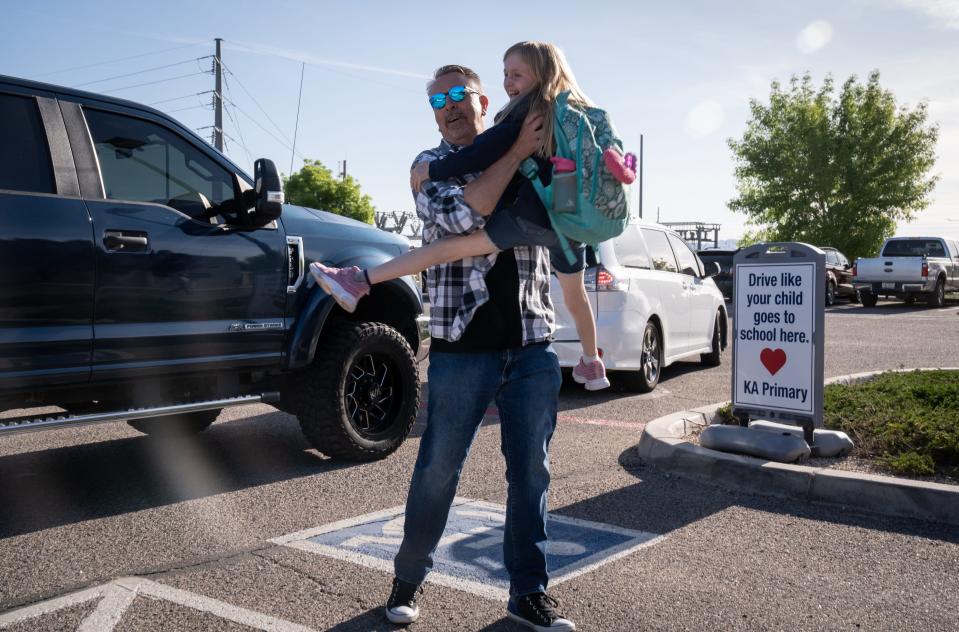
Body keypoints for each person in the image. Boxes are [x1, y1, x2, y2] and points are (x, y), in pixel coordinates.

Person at [310, 41, 636, 391]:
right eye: (505, 74)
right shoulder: (571, 110)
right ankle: (591, 362)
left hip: (533, 231)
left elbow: (478, 157)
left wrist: (433, 170)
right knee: (576, 295)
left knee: (448, 247)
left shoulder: (525, 115)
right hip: (566, 225)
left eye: (516, 74)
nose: (509, 82)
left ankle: (360, 280)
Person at [379, 62, 576, 631]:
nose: (449, 105)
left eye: (460, 94)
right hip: (462, 347)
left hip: (531, 343)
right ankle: (408, 579)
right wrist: (513, 153)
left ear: (484, 100)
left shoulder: (535, 153)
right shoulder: (430, 168)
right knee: (439, 468)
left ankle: (528, 593)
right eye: (438, 99)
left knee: (532, 474)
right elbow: (467, 212)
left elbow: (571, 208)